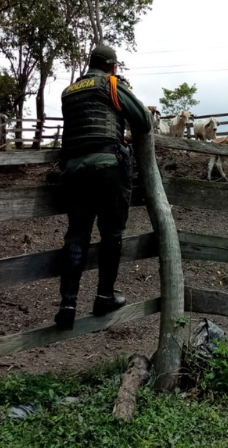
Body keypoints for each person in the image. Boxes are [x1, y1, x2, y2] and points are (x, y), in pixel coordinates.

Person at [54, 44, 153, 331]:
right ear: (113, 66)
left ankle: (67, 305)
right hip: (108, 167)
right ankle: (104, 296)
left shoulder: (69, 91)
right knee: (111, 233)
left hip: (73, 170)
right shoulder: (110, 83)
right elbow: (144, 121)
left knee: (76, 235)